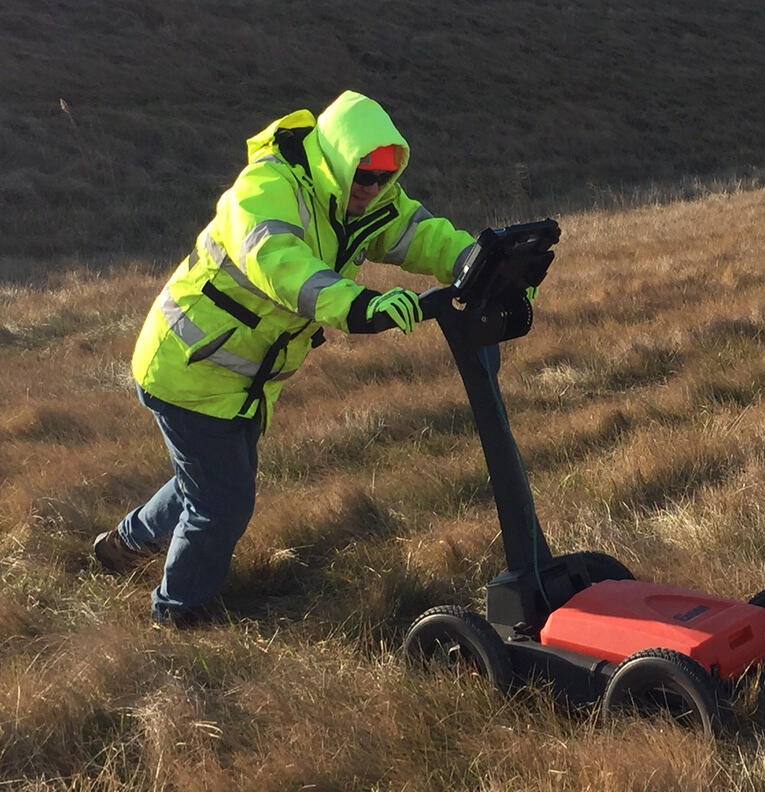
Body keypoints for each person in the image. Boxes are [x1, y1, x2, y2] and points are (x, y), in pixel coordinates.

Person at [93, 90, 477, 627]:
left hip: (243, 380)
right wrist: (358, 304)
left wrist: (475, 260)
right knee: (222, 505)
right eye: (366, 172)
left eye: (389, 172)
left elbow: (417, 233)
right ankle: (175, 613)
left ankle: (121, 546)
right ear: (338, 160)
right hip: (188, 369)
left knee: (204, 482)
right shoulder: (267, 188)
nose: (375, 184)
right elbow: (279, 261)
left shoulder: (364, 198)